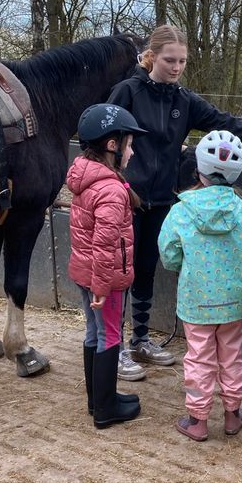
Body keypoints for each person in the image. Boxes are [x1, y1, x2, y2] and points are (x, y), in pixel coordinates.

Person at [107, 25, 242, 382]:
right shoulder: (127, 92)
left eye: (182, 61)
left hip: (162, 198)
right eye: (170, 60)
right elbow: (104, 139)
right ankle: (116, 346)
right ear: (151, 57)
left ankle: (140, 338)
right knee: (122, 271)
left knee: (147, 267)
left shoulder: (183, 100)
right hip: (126, 196)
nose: (176, 67)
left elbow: (227, 123)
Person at [158, 130, 242, 442]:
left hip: (195, 301)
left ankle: (198, 420)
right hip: (234, 301)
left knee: (199, 357)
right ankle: (232, 415)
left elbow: (168, 254)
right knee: (232, 356)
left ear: (199, 171)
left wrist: (182, 267)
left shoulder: (181, 210)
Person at [66, 104, 147, 429]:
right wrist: (102, 287)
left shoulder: (87, 178)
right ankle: (106, 408)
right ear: (112, 145)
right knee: (110, 335)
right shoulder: (111, 190)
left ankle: (96, 400)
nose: (132, 150)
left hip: (85, 273)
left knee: (93, 332)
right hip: (106, 279)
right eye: (128, 143)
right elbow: (105, 244)